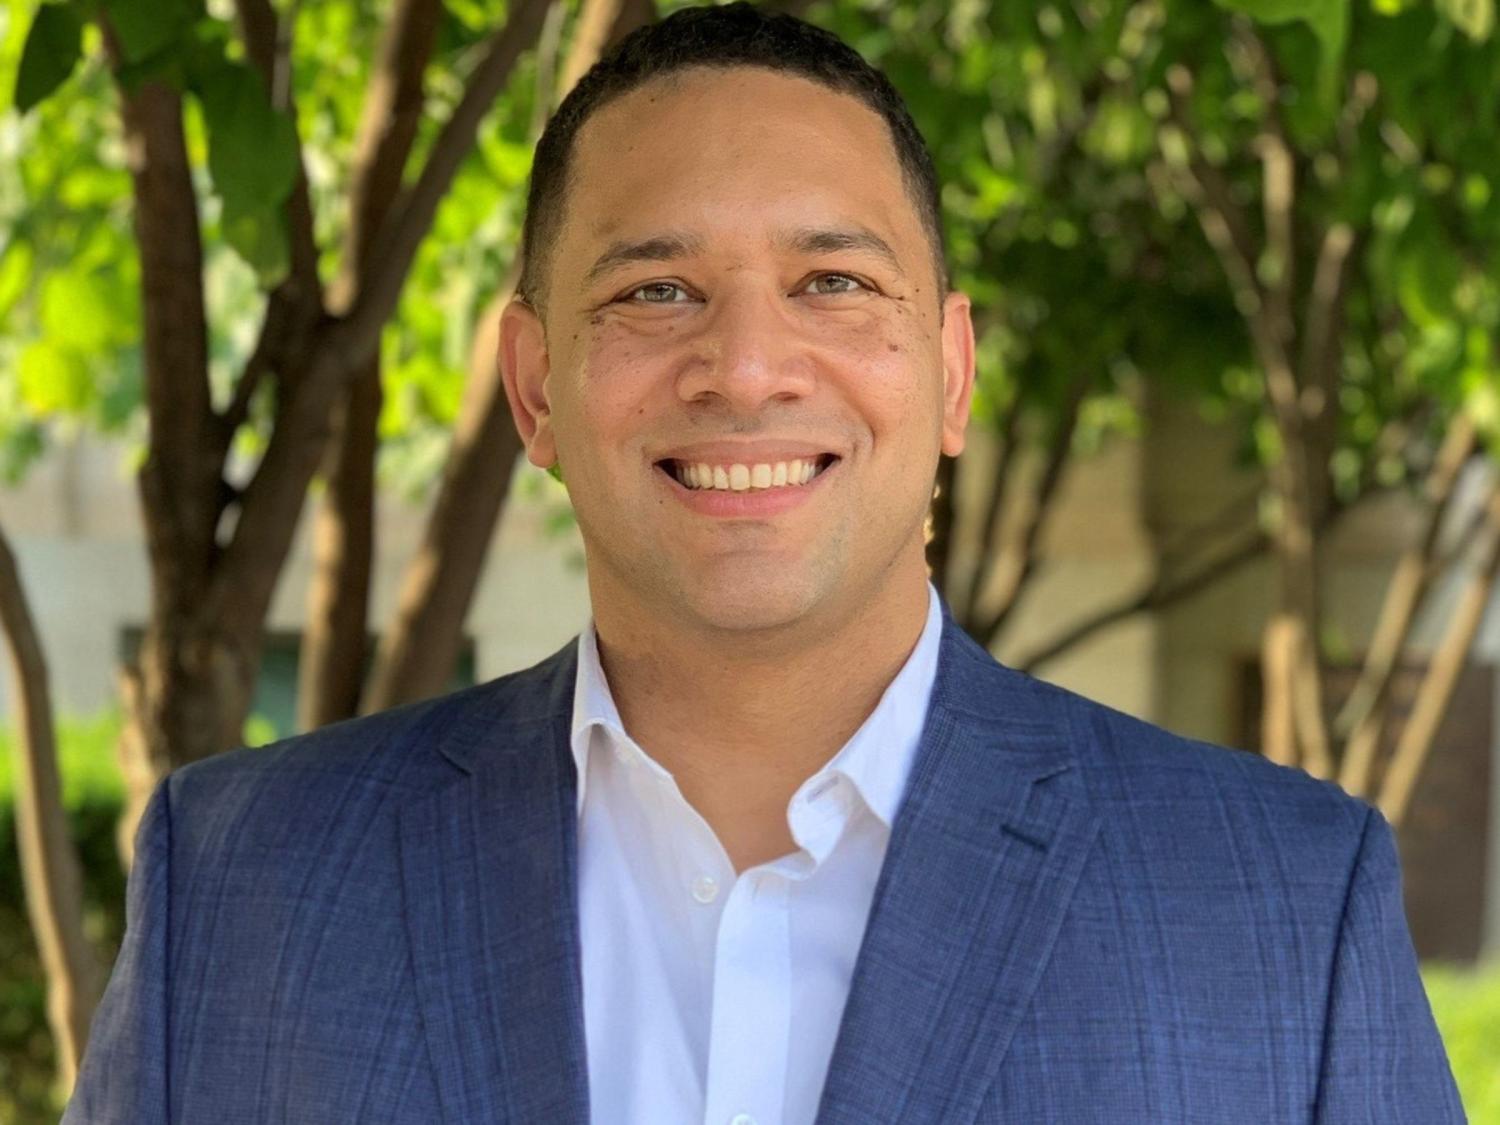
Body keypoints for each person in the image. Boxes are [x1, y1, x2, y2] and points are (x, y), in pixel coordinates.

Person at [65, 4, 1466, 1123]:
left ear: (952, 374)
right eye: (654, 290)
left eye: (834, 285)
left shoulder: (1279, 905)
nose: (743, 366)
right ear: (537, 387)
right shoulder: (244, 888)